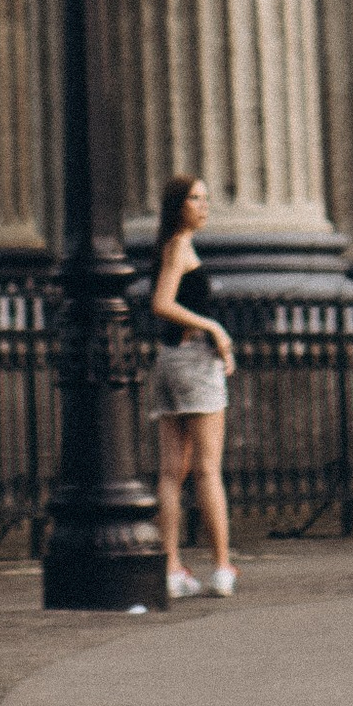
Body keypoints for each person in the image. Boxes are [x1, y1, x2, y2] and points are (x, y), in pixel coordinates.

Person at [149, 176, 239, 599]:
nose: (204, 206)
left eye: (206, 199)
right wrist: (213, 327)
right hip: (193, 363)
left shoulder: (173, 246)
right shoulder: (180, 247)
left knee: (172, 472)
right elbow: (161, 303)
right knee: (207, 469)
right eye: (195, 199)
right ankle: (221, 566)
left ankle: (172, 569)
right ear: (177, 206)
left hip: (169, 360)